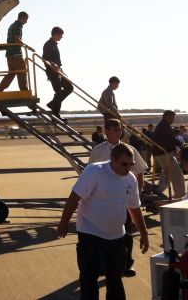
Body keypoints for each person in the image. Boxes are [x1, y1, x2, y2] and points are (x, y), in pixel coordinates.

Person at [57, 143, 149, 300]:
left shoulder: (131, 179)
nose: (128, 168)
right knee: (89, 278)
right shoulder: (95, 171)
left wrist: (144, 233)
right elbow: (74, 198)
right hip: (90, 232)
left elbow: (134, 208)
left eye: (131, 165)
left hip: (116, 236)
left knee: (115, 279)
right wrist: (63, 222)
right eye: (124, 164)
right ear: (113, 159)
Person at [88, 118, 148, 278]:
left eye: (119, 129)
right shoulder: (98, 151)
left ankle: (126, 264)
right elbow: (89, 175)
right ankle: (102, 265)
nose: (117, 132)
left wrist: (137, 193)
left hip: (123, 199)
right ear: (106, 131)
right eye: (114, 129)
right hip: (102, 201)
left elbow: (139, 172)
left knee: (126, 234)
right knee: (100, 233)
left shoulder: (130, 149)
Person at [151, 110, 185, 198]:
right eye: (173, 118)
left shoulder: (162, 125)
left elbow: (170, 140)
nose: (173, 120)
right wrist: (181, 145)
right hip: (164, 153)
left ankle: (157, 190)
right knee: (177, 176)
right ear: (167, 117)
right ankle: (180, 196)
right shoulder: (164, 126)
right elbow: (170, 140)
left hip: (160, 153)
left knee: (167, 174)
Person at [42, 26, 73, 117]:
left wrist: (62, 72)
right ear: (56, 34)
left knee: (69, 87)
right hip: (52, 72)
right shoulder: (48, 44)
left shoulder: (54, 44)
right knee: (58, 92)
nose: (61, 37)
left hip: (58, 71)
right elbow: (44, 58)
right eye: (61, 35)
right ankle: (56, 113)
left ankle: (52, 104)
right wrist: (53, 65)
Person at [0, 11, 29, 92]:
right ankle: (24, 91)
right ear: (22, 18)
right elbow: (17, 40)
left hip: (9, 54)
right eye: (26, 19)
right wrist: (26, 46)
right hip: (16, 54)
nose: (26, 22)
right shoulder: (18, 26)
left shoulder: (12, 25)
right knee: (22, 72)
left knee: (12, 73)